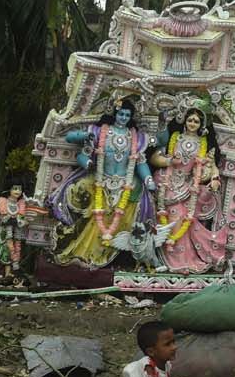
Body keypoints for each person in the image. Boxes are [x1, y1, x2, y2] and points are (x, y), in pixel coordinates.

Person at [51, 98, 157, 268]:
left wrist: (148, 179)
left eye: (127, 115)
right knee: (90, 202)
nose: (123, 117)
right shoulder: (99, 132)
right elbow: (72, 141)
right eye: (120, 114)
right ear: (114, 114)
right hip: (100, 179)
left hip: (127, 183)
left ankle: (119, 257)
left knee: (129, 209)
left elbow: (141, 162)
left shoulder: (137, 138)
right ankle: (83, 253)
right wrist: (87, 158)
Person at [150, 107, 226, 274]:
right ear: (184, 121)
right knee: (161, 217)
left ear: (201, 125)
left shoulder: (202, 144)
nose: (192, 123)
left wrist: (214, 179)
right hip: (166, 182)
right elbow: (154, 158)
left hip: (186, 186)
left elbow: (211, 167)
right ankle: (159, 258)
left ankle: (181, 260)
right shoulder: (175, 138)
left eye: (196, 121)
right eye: (190, 120)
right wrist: (169, 161)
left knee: (182, 218)